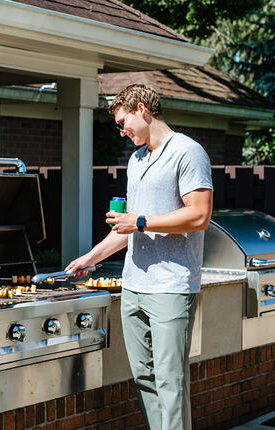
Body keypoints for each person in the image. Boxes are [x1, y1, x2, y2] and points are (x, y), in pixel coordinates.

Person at [65, 84, 213, 430]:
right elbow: (128, 228)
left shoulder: (188, 153)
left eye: (123, 122)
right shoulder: (136, 160)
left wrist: (141, 221)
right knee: (145, 380)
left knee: (170, 383)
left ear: (142, 109)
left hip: (171, 288)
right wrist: (90, 257)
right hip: (133, 287)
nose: (122, 131)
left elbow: (199, 215)